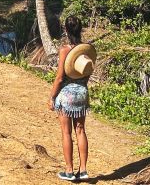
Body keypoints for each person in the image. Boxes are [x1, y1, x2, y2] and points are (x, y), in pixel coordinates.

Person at [48, 15, 94, 182]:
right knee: (80, 130)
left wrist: (52, 97)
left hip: (66, 95)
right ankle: (83, 170)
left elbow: (60, 77)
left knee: (66, 133)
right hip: (82, 93)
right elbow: (87, 72)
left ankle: (69, 171)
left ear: (66, 30)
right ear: (80, 29)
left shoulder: (65, 50)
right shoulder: (87, 49)